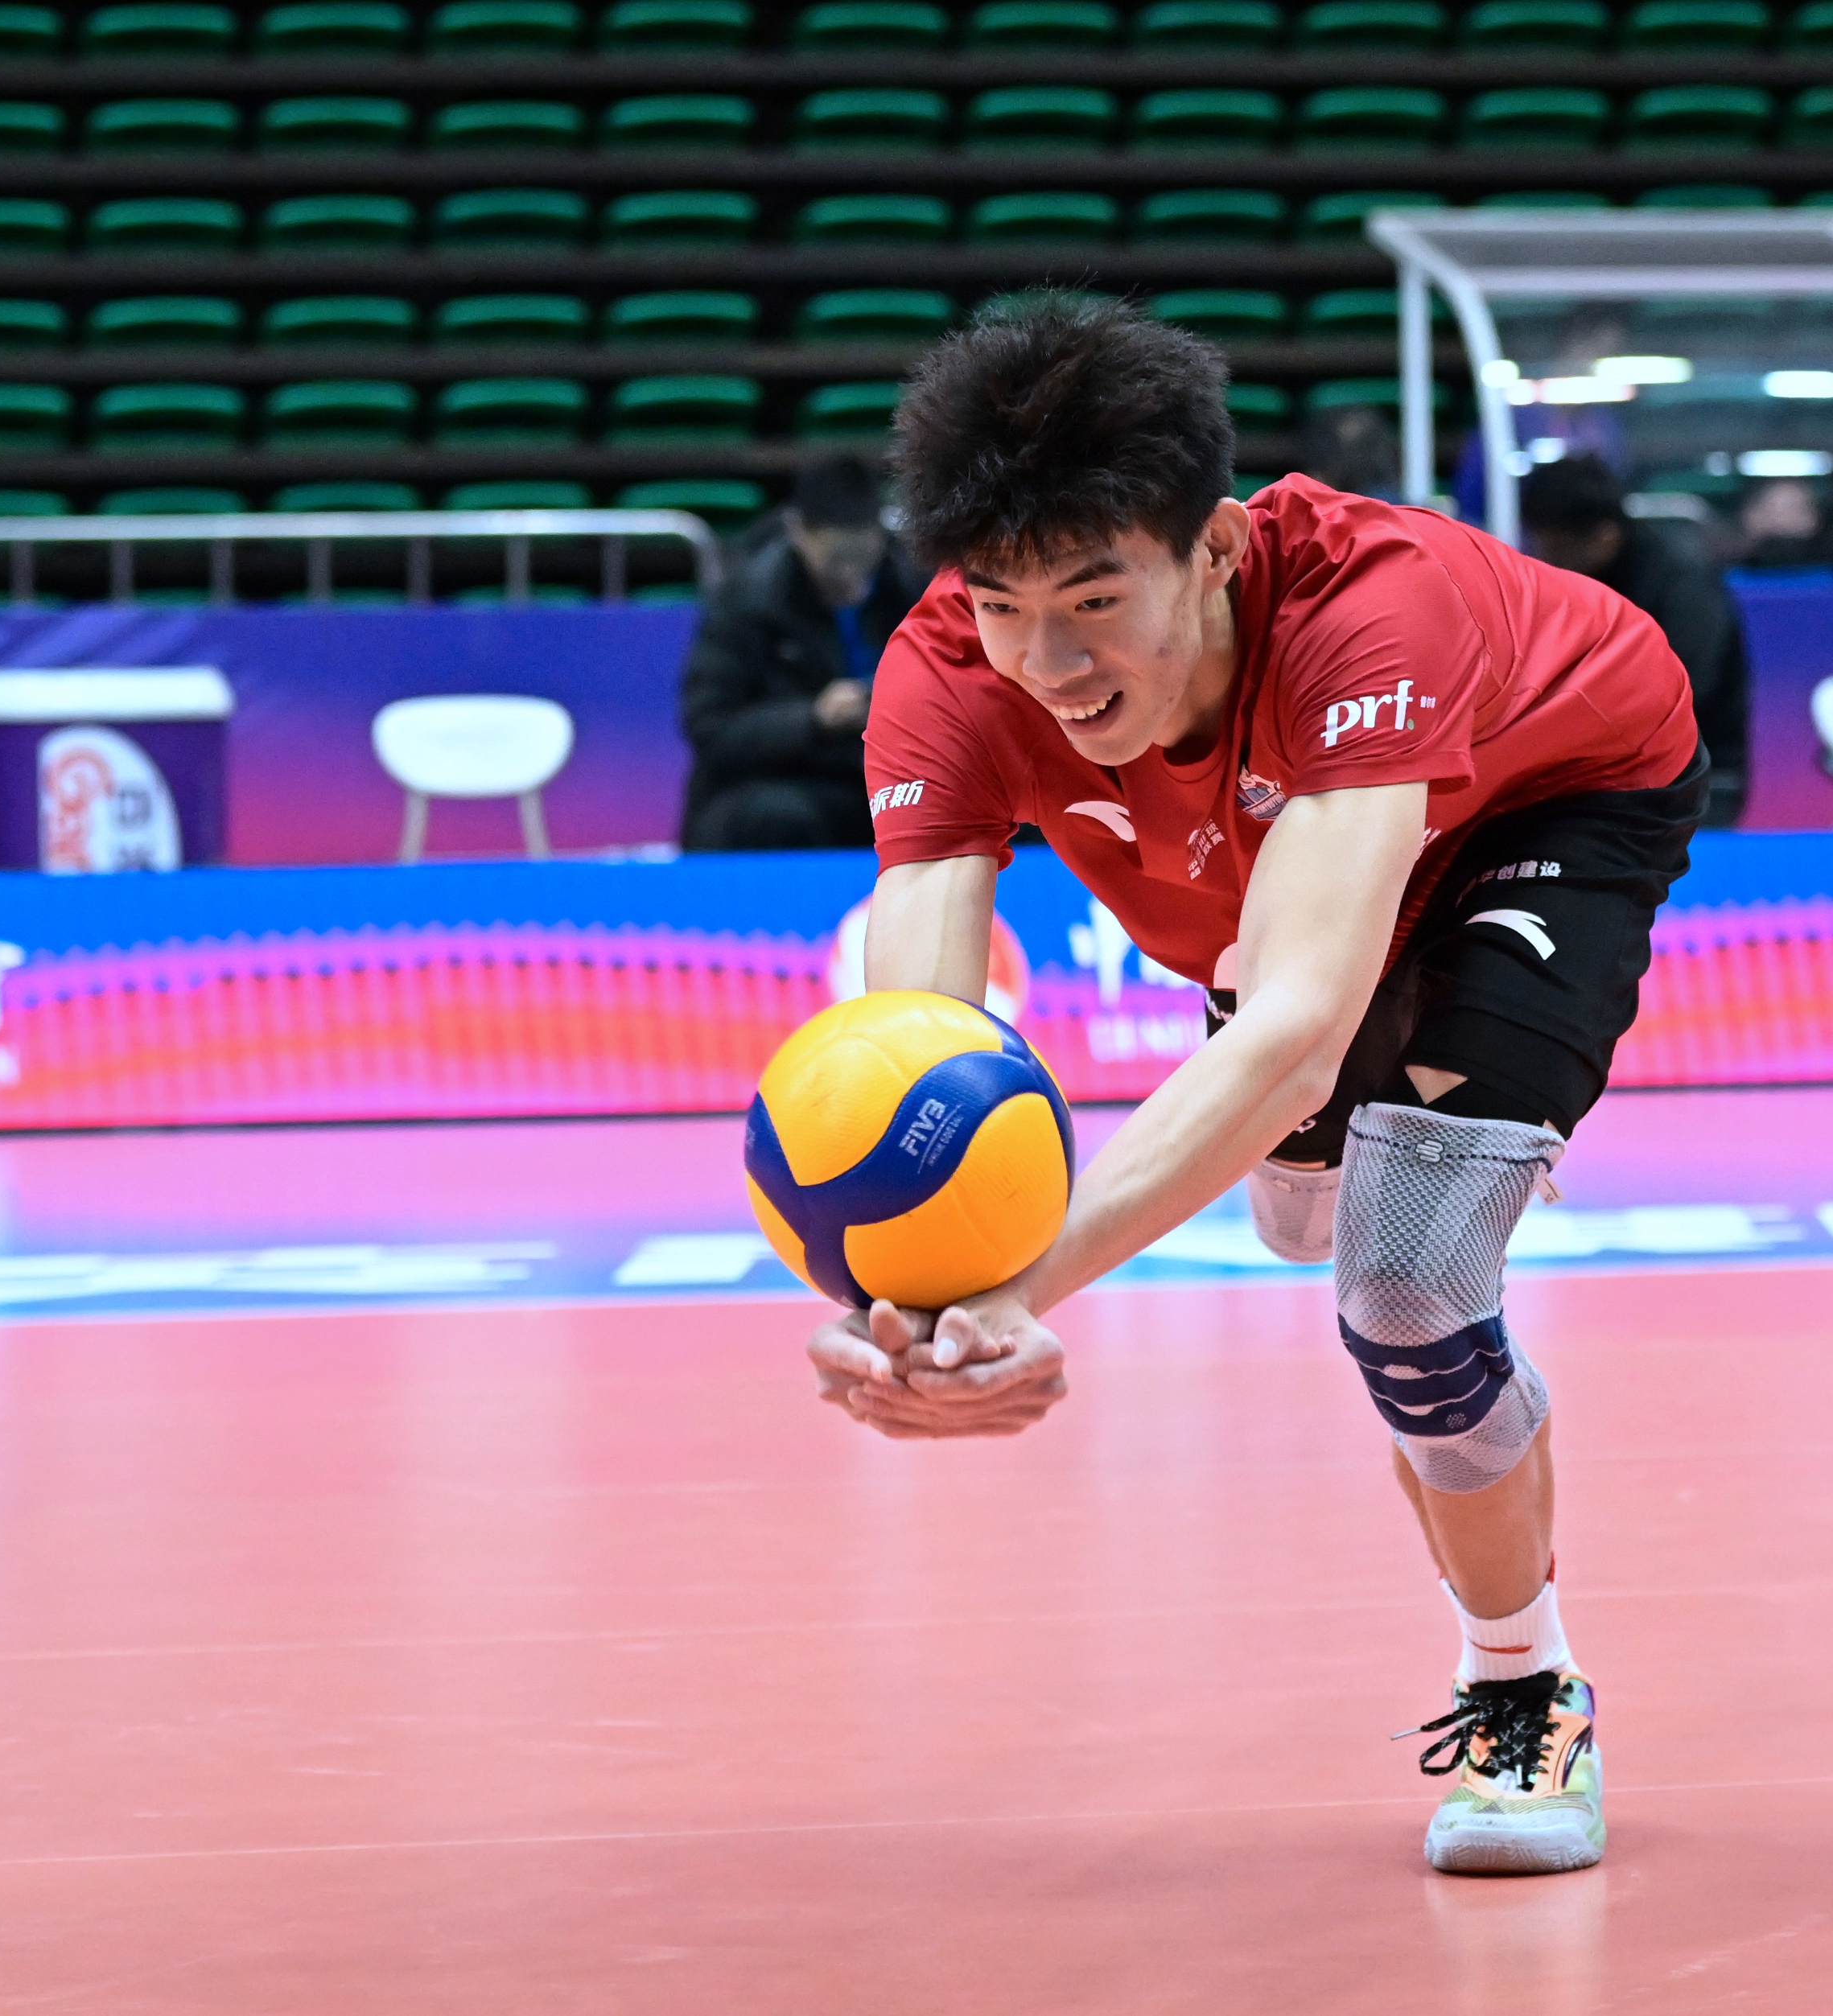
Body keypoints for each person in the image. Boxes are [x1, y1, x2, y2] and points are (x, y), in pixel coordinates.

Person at [805, 299, 1707, 1876]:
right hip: (1282, 864)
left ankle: (1522, 1689)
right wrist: (914, 1307)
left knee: (1407, 1281)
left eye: (1097, 599)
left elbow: (1295, 1024)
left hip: (1548, 791)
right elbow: (916, 1063)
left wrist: (1018, 1288)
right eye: (1006, 606)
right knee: (1301, 1209)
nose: (1051, 663)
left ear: (1213, 547)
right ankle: (1329, 1068)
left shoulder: (1374, 605)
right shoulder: (946, 673)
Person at [678, 453, 921, 851]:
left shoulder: (913, 588)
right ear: (798, 532)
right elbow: (710, 727)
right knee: (778, 820)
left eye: (863, 557)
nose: (851, 574)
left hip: (884, 778)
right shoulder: (746, 601)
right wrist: (813, 718)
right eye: (836, 559)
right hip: (783, 779)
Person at [1518, 454, 1753, 829]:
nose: (1545, 559)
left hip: (1697, 780)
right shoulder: (1576, 584)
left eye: (1556, 548)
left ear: (1604, 536)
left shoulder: (1681, 584)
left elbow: (1686, 692)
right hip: (1608, 777)